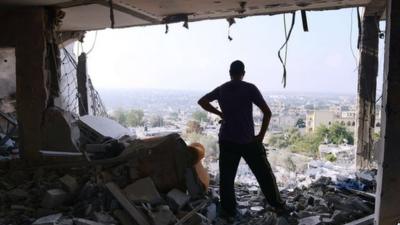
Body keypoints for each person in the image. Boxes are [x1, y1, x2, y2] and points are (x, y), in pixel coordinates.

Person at [198, 60, 286, 219]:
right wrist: (260, 136)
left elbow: (202, 101)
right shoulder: (249, 88)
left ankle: (228, 210)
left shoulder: (222, 89)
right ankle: (277, 205)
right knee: (264, 175)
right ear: (243, 73)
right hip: (248, 141)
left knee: (226, 178)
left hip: (227, 140)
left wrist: (219, 114)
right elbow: (267, 112)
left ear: (230, 73)